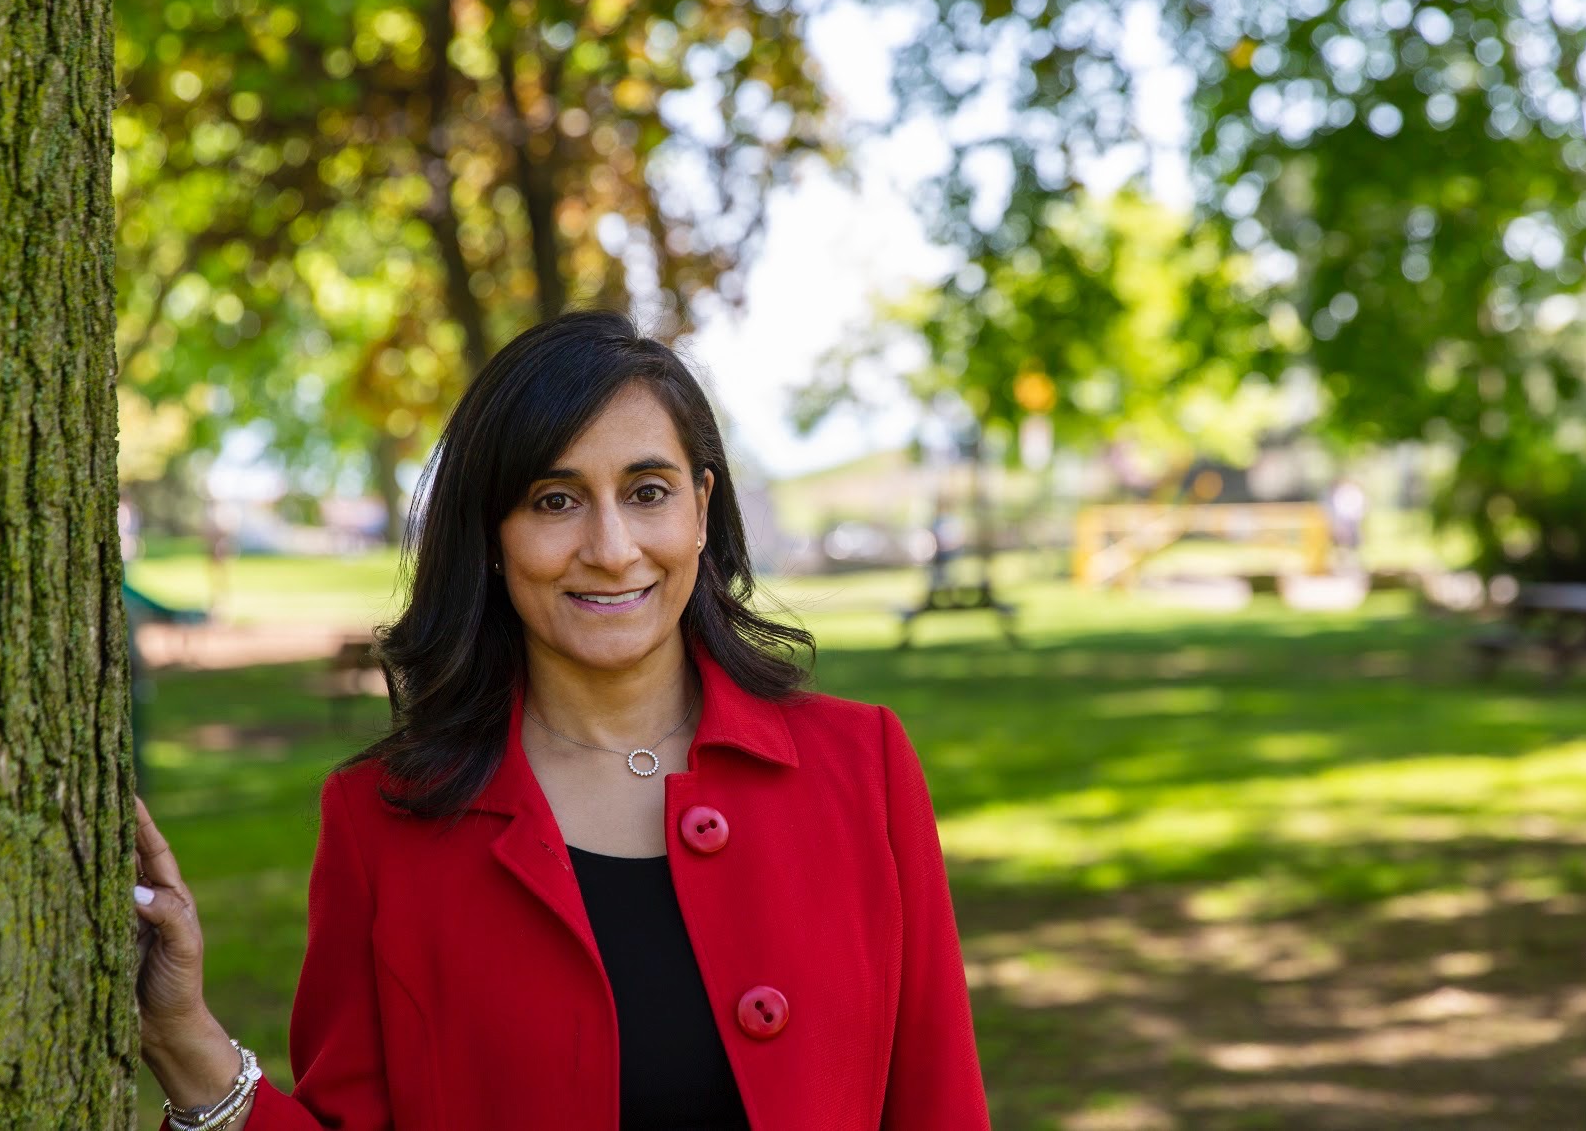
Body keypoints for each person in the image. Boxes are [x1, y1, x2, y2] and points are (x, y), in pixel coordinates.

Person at [132, 311, 991, 1130]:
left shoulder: (862, 764)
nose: (612, 547)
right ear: (492, 536)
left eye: (647, 491)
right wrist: (184, 1041)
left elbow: (942, 1102)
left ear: (701, 507)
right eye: (555, 500)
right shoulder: (382, 821)